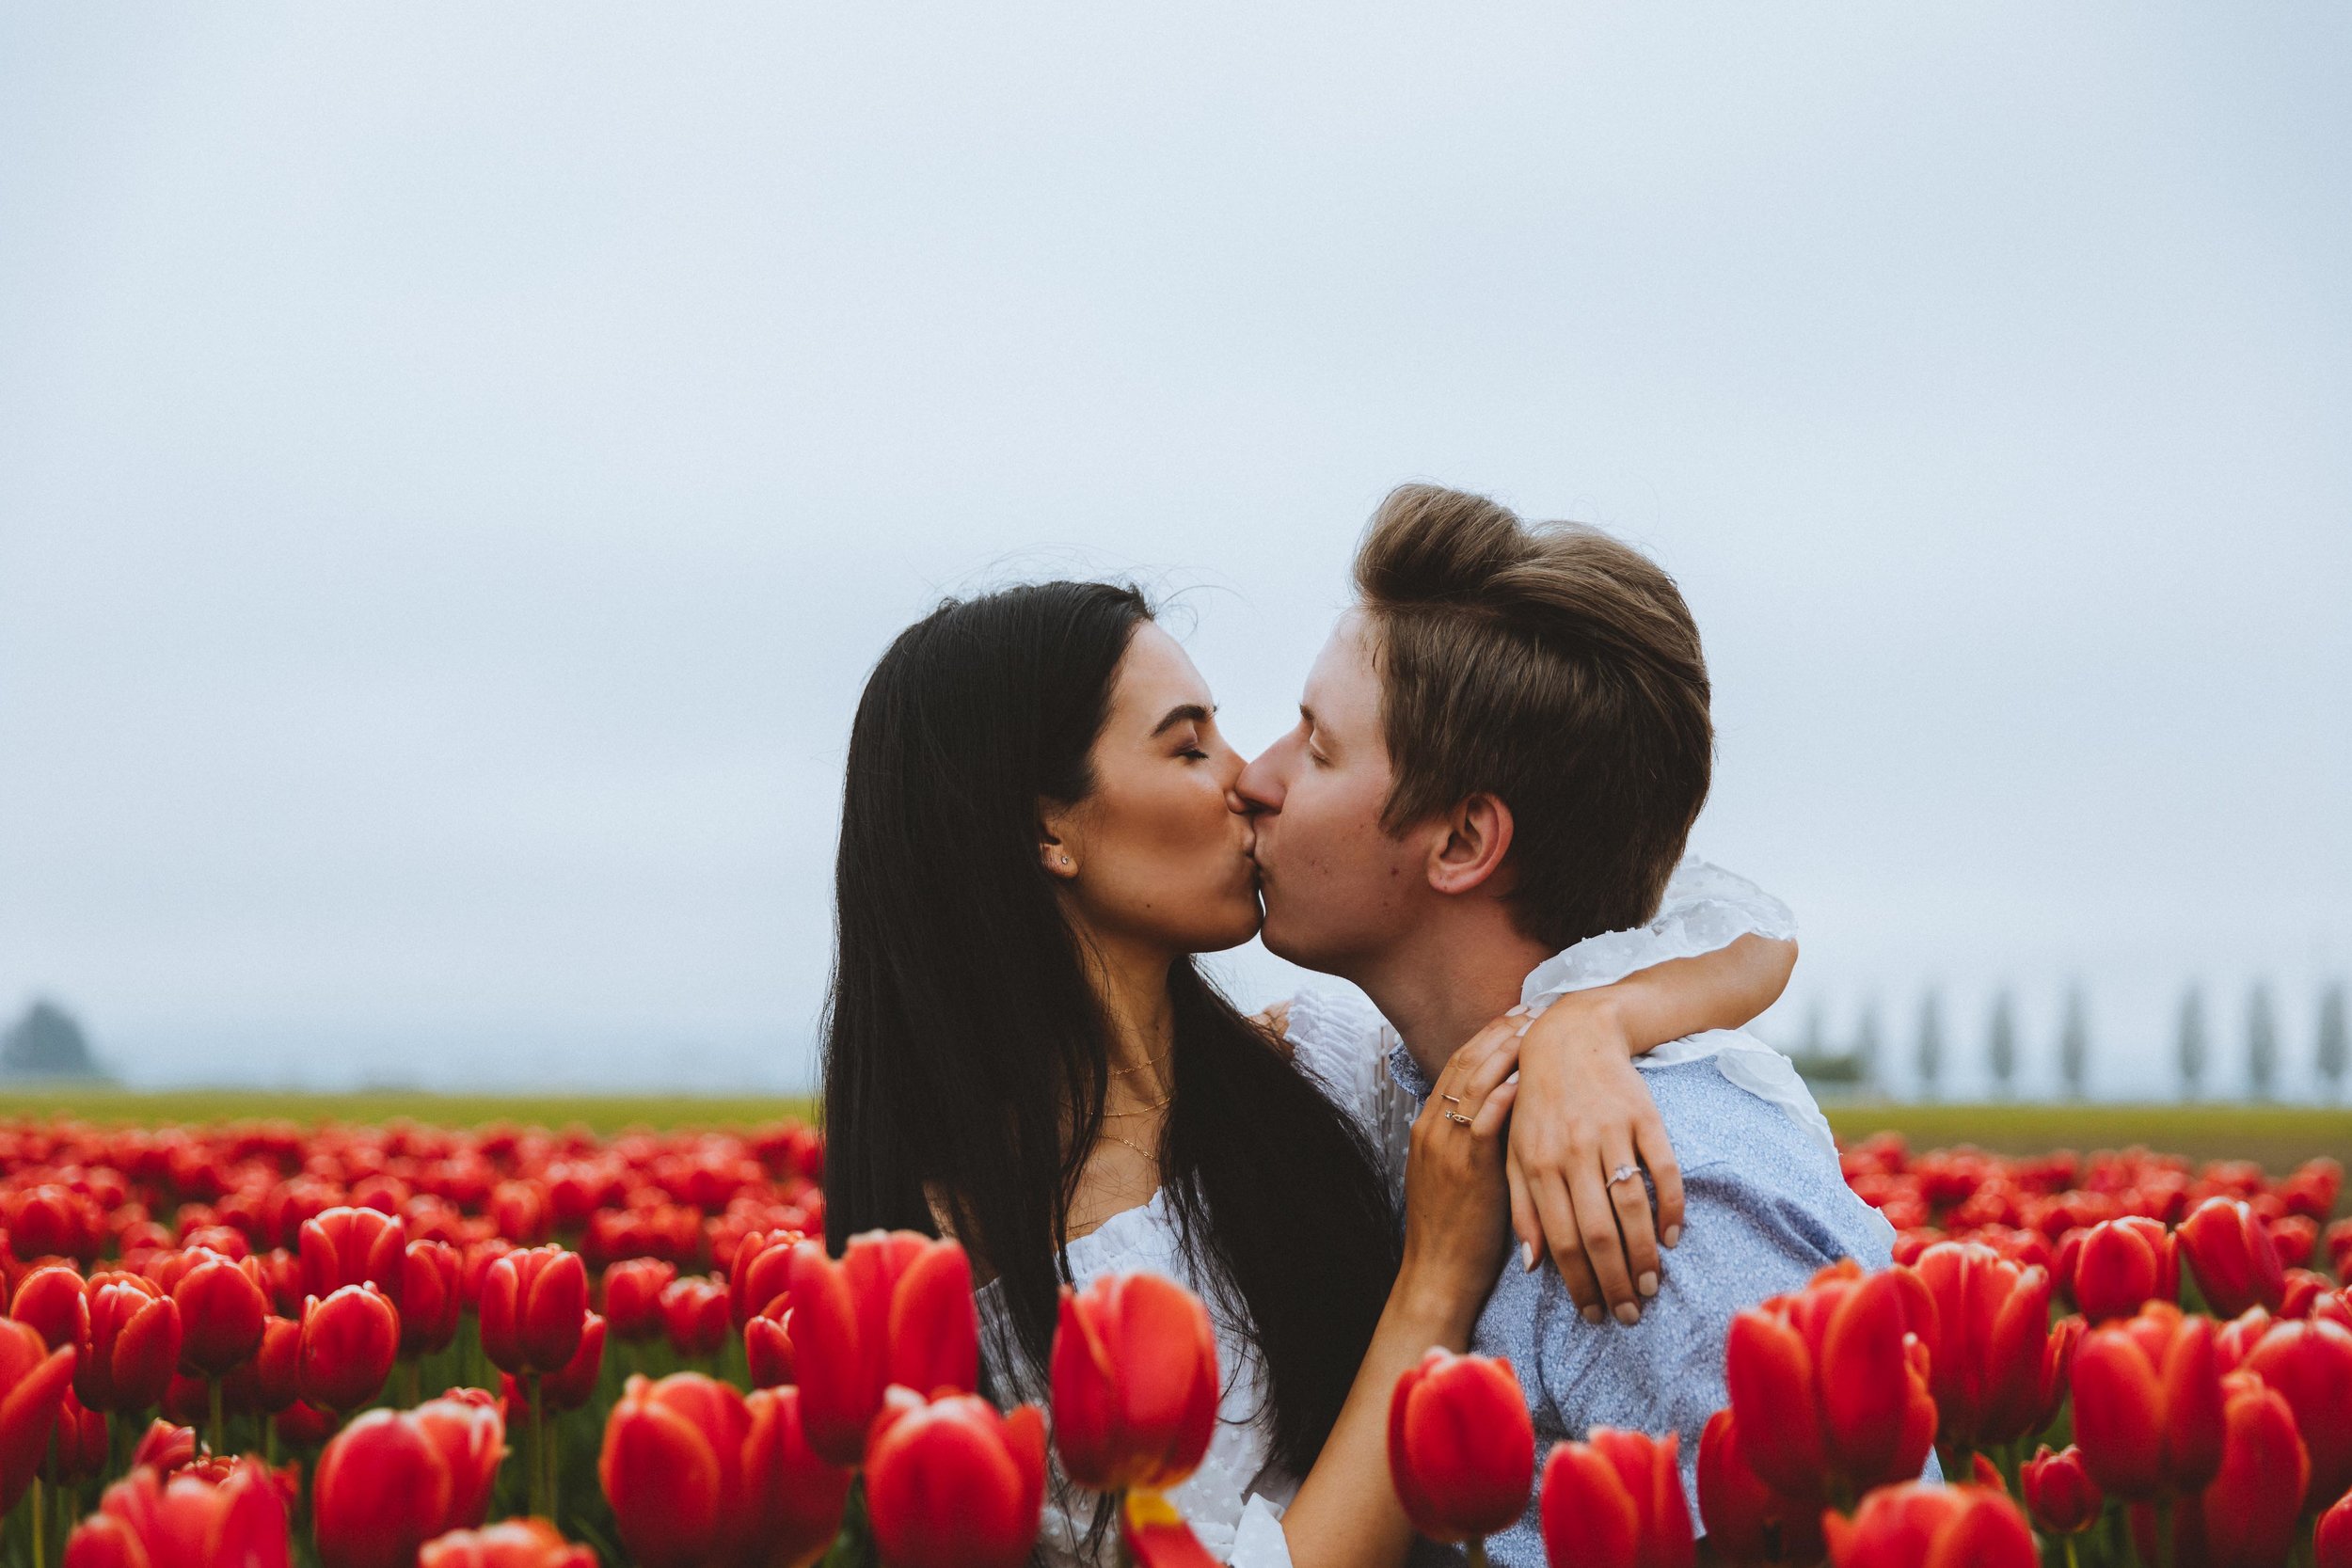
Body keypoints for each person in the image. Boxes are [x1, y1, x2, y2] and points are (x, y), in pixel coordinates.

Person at [820, 571, 1797, 1566]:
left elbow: (1740, 924)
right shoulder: (971, 1255)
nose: (1245, 778)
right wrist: (1433, 1279)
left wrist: (1587, 1025)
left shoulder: (1317, 1065)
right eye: (1187, 744)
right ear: (1046, 829)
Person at [1240, 484, 1902, 1565]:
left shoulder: (1661, 1213)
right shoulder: (1386, 1075)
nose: (1255, 779)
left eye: (1316, 747)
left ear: (1461, 840)